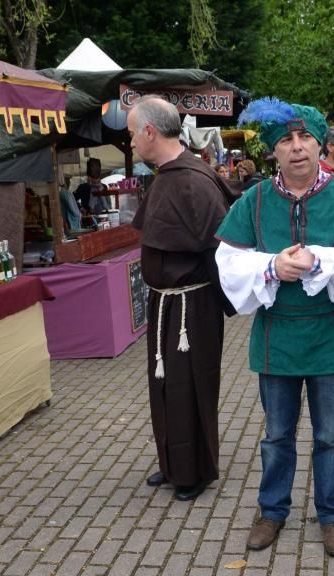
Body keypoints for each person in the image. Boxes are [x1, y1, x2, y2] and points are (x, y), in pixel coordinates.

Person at [214, 99, 334, 557]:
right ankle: (272, 511)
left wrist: (320, 262)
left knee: (331, 434)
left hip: (332, 337)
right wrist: (272, 265)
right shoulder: (253, 201)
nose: (296, 148)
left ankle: (332, 515)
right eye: (285, 141)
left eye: (305, 138)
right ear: (274, 151)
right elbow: (227, 262)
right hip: (277, 341)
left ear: (320, 145)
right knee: (277, 433)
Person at [128, 96, 238, 501]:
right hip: (165, 302)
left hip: (193, 304)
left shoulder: (193, 179)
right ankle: (173, 463)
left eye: (132, 134)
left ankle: (195, 472)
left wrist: (227, 303)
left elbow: (219, 248)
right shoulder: (167, 175)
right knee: (164, 385)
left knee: (189, 386)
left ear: (150, 132)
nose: (131, 143)